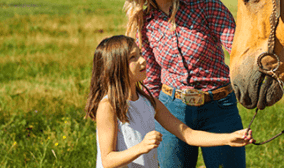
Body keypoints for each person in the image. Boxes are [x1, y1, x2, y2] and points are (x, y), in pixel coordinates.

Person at [104, 0, 247, 168]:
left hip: (219, 106)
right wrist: (145, 116)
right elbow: (149, 76)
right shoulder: (144, 20)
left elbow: (237, 46)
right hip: (171, 108)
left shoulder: (203, 0)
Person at [85, 35, 253, 168]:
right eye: (133, 57)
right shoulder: (108, 106)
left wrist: (228, 138)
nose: (143, 60)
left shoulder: (149, 102)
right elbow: (107, 160)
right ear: (116, 66)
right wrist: (141, 147)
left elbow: (187, 134)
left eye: (140, 54)